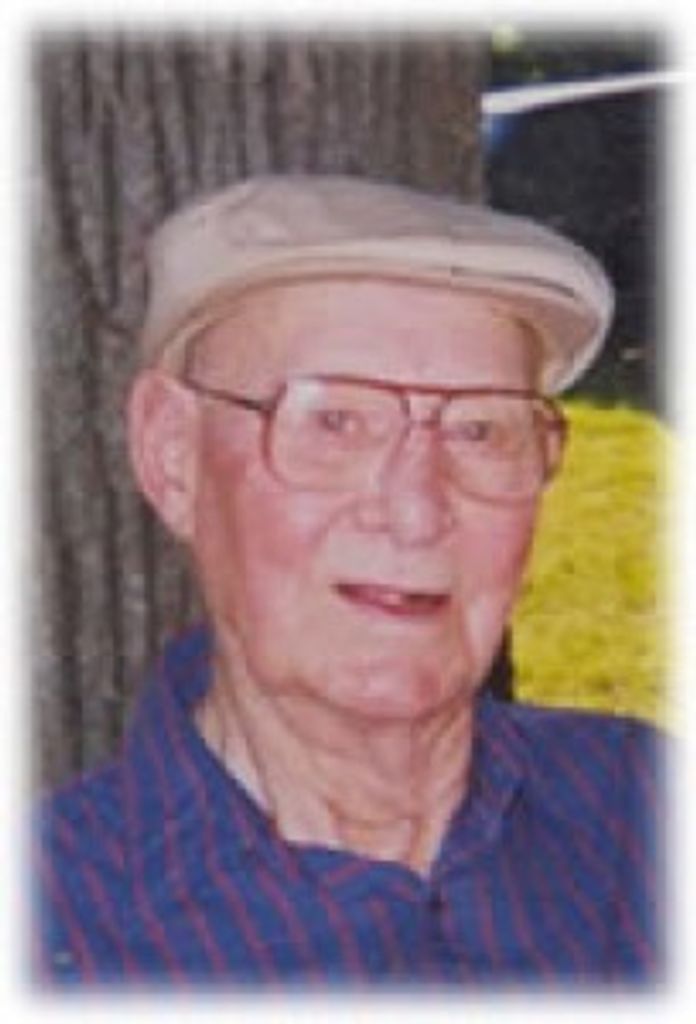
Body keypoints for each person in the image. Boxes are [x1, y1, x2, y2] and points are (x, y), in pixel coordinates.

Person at [36, 175, 663, 989]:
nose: (416, 511)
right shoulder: (56, 935)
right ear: (172, 456)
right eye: (334, 421)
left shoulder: (644, 813)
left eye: (481, 430)